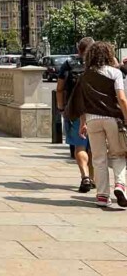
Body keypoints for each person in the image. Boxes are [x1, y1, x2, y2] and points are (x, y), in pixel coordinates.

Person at [67, 42, 127, 207]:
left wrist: (82, 123)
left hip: (92, 120)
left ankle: (102, 195)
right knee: (118, 154)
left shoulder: (85, 75)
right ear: (109, 55)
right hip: (113, 119)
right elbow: (121, 99)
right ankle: (120, 185)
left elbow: (82, 103)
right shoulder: (115, 73)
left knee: (99, 157)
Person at [57, 37, 94, 193]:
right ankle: (93, 179)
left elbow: (59, 88)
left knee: (80, 146)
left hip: (75, 111)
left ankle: (84, 175)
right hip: (97, 111)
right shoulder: (99, 65)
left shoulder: (68, 64)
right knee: (94, 147)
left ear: (78, 49)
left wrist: (60, 107)